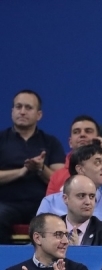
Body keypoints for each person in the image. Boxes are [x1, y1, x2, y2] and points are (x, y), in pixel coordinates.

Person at [0, 90, 66, 244]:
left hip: (42, 204)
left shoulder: (51, 142)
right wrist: (21, 171)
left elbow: (61, 182)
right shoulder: (1, 140)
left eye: (28, 108)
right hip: (5, 203)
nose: (22, 111)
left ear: (39, 115)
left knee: (58, 220)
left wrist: (41, 168)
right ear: (12, 112)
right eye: (18, 107)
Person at [37, 143, 102, 242]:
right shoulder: (50, 202)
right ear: (80, 169)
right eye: (97, 162)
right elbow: (40, 240)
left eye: (92, 196)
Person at [46, 115, 102, 194]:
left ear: (99, 138)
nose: (82, 135)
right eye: (76, 132)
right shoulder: (57, 176)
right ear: (70, 142)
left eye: (88, 131)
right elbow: (49, 206)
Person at [60, 174, 102, 246]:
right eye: (81, 196)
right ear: (65, 199)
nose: (88, 202)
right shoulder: (51, 229)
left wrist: (77, 249)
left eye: (92, 196)